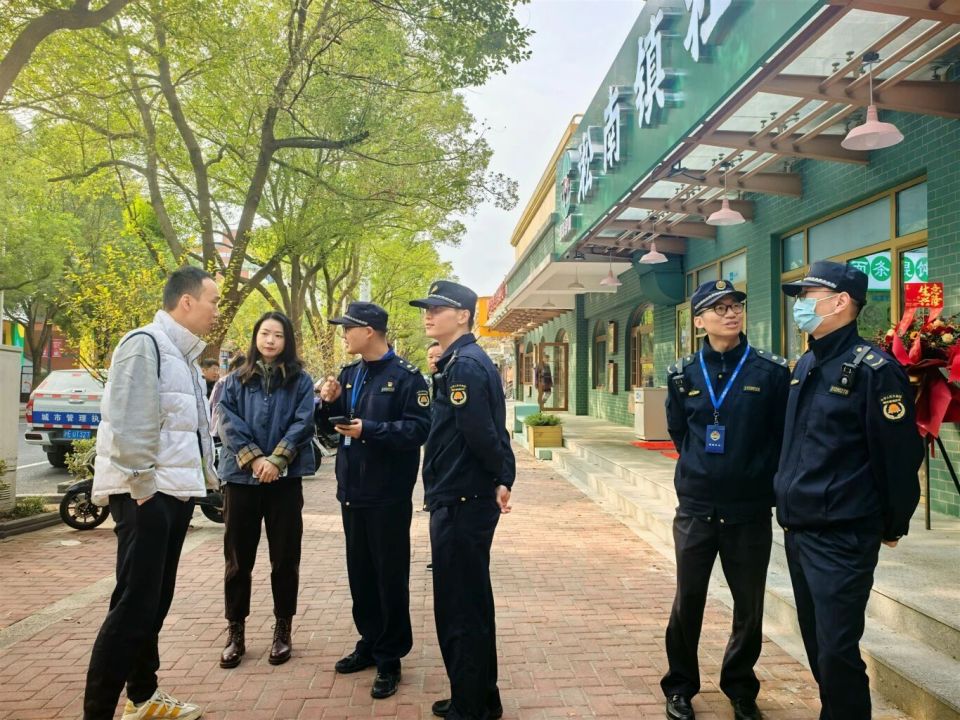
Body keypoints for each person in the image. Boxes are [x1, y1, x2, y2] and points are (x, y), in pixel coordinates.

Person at [777, 260, 923, 720]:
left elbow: (898, 457)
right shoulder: (807, 362)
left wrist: (893, 522)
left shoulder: (875, 371)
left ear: (840, 301)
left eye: (807, 296)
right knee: (818, 644)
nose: (800, 305)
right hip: (800, 530)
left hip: (842, 534)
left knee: (838, 650)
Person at [84, 266, 220, 720]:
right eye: (213, 302)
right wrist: (143, 487)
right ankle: (97, 712)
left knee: (152, 603)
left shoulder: (183, 355)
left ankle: (143, 697)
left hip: (173, 493)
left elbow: (188, 429)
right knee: (133, 607)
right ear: (187, 301)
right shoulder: (144, 344)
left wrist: (205, 479)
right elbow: (128, 418)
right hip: (146, 494)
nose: (216, 312)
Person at [662, 280, 790, 720]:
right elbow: (680, 432)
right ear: (699, 321)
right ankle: (680, 687)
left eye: (735, 305)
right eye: (718, 308)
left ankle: (740, 688)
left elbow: (780, 437)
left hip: (748, 510)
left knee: (748, 604)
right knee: (688, 601)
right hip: (696, 509)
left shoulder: (770, 372)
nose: (730, 313)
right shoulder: (682, 374)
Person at [409, 280, 515, 720]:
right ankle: (480, 697)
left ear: (463, 315)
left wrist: (502, 475)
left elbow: (481, 433)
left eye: (438, 308)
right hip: (460, 494)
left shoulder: (465, 365)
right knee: (470, 602)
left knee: (461, 608)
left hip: (462, 498)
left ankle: (470, 705)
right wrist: (503, 475)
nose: (428, 315)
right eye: (427, 308)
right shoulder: (459, 361)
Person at [315, 301, 431, 699]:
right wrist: (328, 403)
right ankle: (370, 641)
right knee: (361, 575)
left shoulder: (407, 378)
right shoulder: (349, 374)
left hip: (387, 496)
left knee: (389, 576)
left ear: (368, 331)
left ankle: (390, 657)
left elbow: (418, 430)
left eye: (348, 328)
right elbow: (330, 429)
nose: (343, 335)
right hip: (352, 493)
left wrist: (371, 430)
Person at [216, 312, 316, 669]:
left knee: (285, 558)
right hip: (241, 480)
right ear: (255, 337)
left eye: (278, 335)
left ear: (287, 341)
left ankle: (282, 629)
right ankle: (235, 631)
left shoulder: (301, 380)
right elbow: (227, 421)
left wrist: (277, 460)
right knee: (237, 560)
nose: (270, 340)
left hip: (284, 482)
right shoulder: (234, 380)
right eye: (265, 333)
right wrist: (255, 459)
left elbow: (304, 421)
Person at [209, 353, 245, 440]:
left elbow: (211, 404)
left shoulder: (224, 381)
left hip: (223, 429)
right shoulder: (225, 382)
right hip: (222, 430)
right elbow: (216, 405)